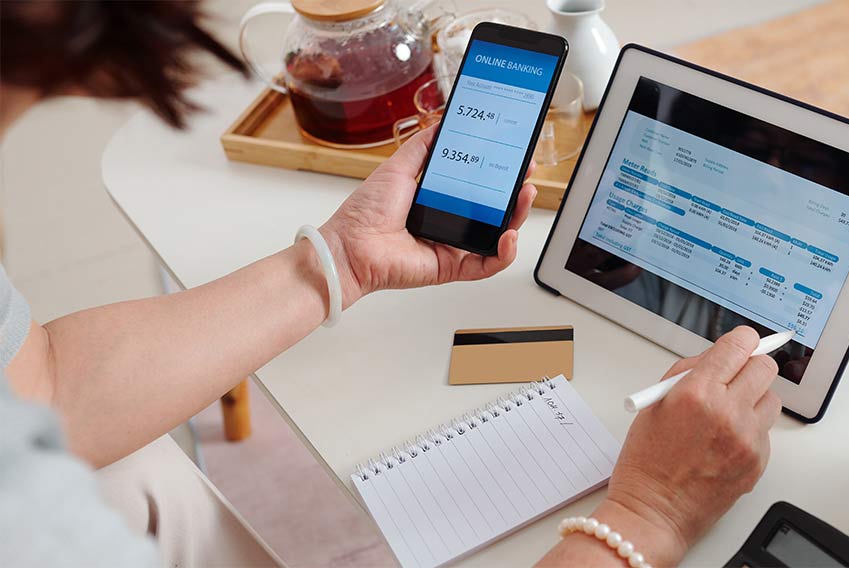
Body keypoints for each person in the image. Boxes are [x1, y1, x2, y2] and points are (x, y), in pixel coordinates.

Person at [0, 2, 781, 567]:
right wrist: (651, 515)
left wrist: (341, 260)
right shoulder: (26, 514)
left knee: (145, 470)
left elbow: (39, 384)